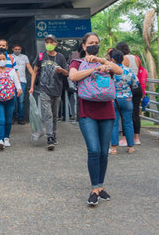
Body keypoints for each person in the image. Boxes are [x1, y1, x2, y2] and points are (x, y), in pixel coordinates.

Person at [68, 32, 122, 206]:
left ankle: (100, 186)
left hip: (107, 111)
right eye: (91, 43)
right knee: (94, 150)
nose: (94, 45)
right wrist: (93, 69)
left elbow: (120, 70)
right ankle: (94, 188)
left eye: (97, 42)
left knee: (103, 152)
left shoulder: (105, 61)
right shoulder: (77, 62)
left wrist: (102, 62)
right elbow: (73, 76)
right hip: (87, 112)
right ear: (84, 46)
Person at [29, 34, 68, 150]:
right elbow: (35, 72)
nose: (49, 44)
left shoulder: (60, 57)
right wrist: (31, 87)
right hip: (44, 89)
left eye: (51, 42)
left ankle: (54, 134)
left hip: (57, 90)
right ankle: (50, 137)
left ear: (56, 44)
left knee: (55, 114)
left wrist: (61, 70)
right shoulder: (41, 56)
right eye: (47, 42)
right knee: (48, 114)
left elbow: (68, 73)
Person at [0, 52, 22, 150]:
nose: (2, 61)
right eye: (0, 59)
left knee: (8, 120)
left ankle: (6, 138)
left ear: (6, 60)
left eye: (3, 59)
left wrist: (19, 89)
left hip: (11, 98)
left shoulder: (12, 71)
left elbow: (16, 82)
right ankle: (0, 140)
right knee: (1, 120)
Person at [107, 49, 138, 155]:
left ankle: (114, 148)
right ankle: (131, 147)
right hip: (127, 98)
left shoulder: (110, 71)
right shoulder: (128, 71)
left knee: (114, 123)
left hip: (113, 99)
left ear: (112, 59)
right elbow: (135, 84)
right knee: (128, 122)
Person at [116, 42, 143, 145]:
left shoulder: (124, 58)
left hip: (128, 87)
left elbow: (121, 71)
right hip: (137, 85)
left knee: (125, 113)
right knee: (135, 113)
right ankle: (137, 138)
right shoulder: (135, 57)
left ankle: (125, 138)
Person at [12, 44, 35, 125]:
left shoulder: (24, 57)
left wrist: (34, 74)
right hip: (12, 81)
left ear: (21, 49)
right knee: (13, 100)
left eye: (19, 49)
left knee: (21, 101)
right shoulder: (9, 56)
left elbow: (29, 67)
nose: (17, 50)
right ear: (12, 49)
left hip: (22, 81)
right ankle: (12, 117)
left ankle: (20, 118)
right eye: (16, 49)